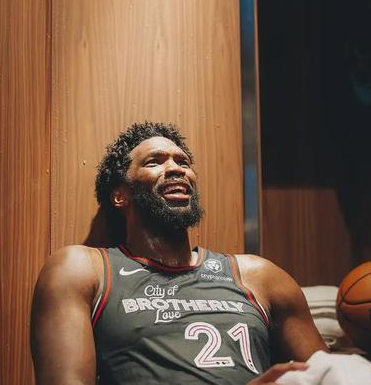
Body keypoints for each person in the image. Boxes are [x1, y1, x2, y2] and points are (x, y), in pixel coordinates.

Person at [31, 121, 327, 383]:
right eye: (154, 162)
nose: (176, 169)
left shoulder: (258, 276)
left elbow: (330, 376)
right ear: (121, 195)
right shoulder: (84, 269)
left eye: (182, 161)